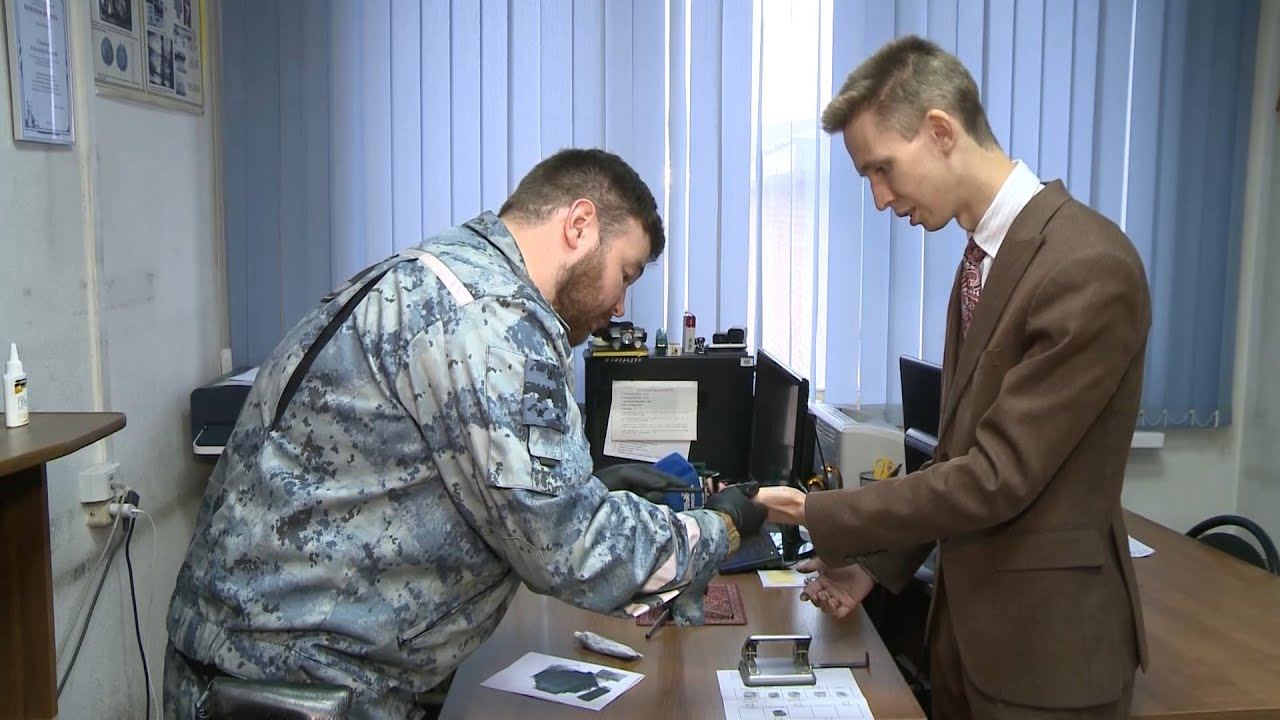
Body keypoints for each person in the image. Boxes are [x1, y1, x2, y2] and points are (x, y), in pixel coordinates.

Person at [163, 148, 765, 719]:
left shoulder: (442, 274)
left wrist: (590, 486)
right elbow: (571, 550)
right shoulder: (492, 316)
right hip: (292, 688)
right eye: (625, 273)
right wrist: (722, 526)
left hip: (261, 666)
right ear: (580, 225)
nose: (620, 305)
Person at [753, 35, 1150, 718]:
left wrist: (816, 512)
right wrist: (875, 567)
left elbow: (996, 476)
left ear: (940, 130)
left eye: (882, 169)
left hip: (1047, 658)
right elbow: (957, 456)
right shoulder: (982, 262)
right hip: (966, 641)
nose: (880, 199)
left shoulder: (1086, 264)